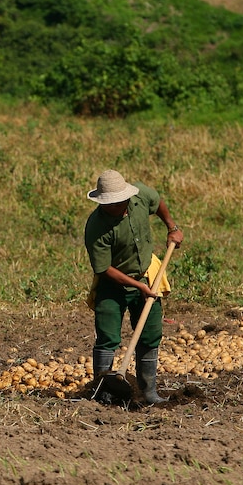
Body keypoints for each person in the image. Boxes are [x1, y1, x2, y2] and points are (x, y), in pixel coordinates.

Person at [84, 169, 184, 404]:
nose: (112, 208)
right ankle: (103, 393)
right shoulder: (97, 226)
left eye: (116, 203)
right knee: (107, 337)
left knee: (150, 335)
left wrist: (172, 227)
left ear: (126, 198)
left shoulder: (140, 197)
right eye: (107, 204)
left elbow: (157, 201)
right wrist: (137, 288)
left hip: (148, 275)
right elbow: (104, 268)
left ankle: (148, 392)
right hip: (113, 283)